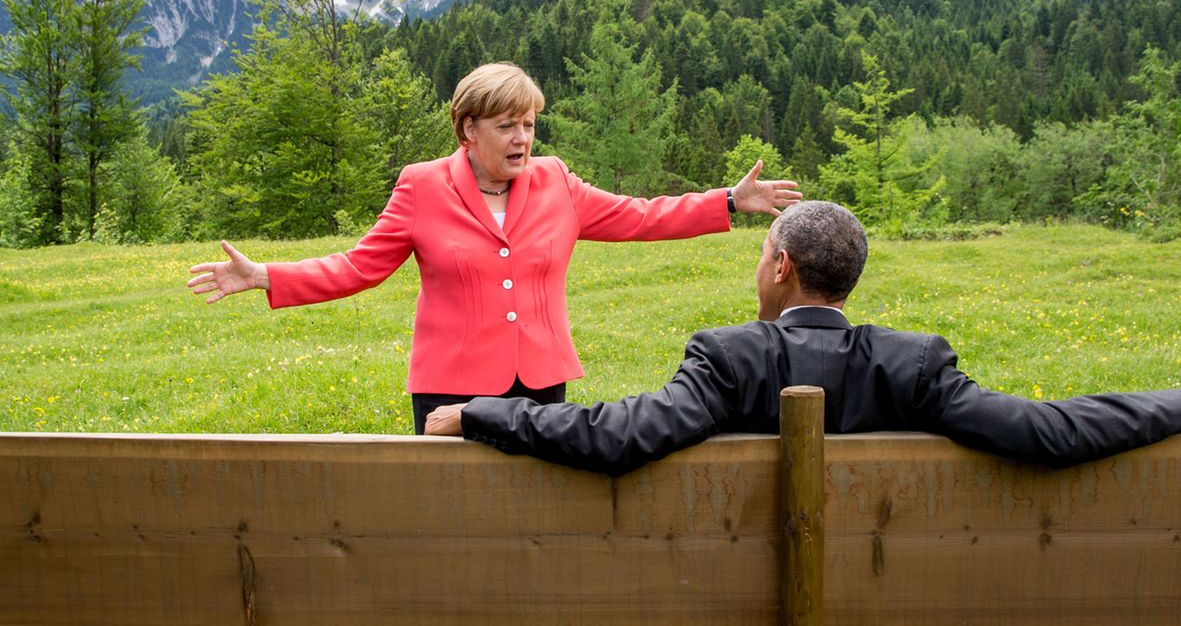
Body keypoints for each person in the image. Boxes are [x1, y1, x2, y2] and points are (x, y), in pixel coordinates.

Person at [186, 62, 801, 433]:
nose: (522, 138)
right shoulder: (421, 186)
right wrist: (267, 275)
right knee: (452, 520)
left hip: (539, 382)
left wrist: (725, 201)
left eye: (529, 124)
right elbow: (358, 266)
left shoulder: (557, 181)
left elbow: (638, 216)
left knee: (535, 515)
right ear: (468, 129)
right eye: (507, 125)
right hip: (450, 384)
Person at [424, 200, 1181, 475]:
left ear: (779, 266)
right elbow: (1046, 431)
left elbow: (619, 436)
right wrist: (1180, 404)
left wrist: (483, 412)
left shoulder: (727, 358)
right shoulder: (913, 364)